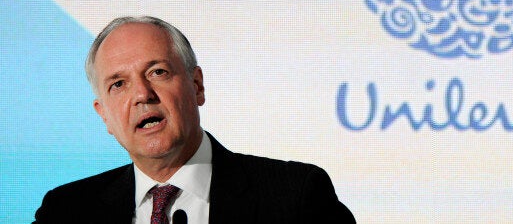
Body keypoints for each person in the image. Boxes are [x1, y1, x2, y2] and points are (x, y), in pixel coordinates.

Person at [33, 16, 355, 223]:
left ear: (196, 85)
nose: (143, 94)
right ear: (104, 115)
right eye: (119, 84)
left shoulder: (294, 198)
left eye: (158, 72)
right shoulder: (65, 212)